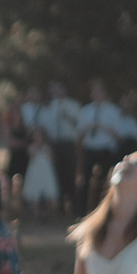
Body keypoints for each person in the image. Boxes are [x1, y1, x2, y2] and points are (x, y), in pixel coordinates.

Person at [77, 80, 126, 209]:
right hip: (90, 148)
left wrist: (103, 127)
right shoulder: (85, 111)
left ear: (104, 94)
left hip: (106, 149)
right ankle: (82, 210)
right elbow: (79, 133)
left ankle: (105, 208)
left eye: (100, 92)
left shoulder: (113, 111)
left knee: (106, 180)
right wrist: (88, 127)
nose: (97, 95)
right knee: (86, 180)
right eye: (94, 92)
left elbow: (119, 134)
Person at [42, 82, 82, 214]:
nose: (57, 93)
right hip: (55, 143)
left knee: (70, 173)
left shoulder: (73, 105)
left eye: (59, 90)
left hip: (68, 143)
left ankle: (74, 206)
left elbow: (79, 124)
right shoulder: (50, 106)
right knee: (56, 173)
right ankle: (59, 207)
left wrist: (67, 116)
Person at [19, 126, 61, 221]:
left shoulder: (47, 147)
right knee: (34, 195)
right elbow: (31, 155)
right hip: (35, 172)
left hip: (46, 172)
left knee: (50, 194)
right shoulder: (31, 147)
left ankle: (47, 215)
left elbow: (51, 157)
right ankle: (36, 215)